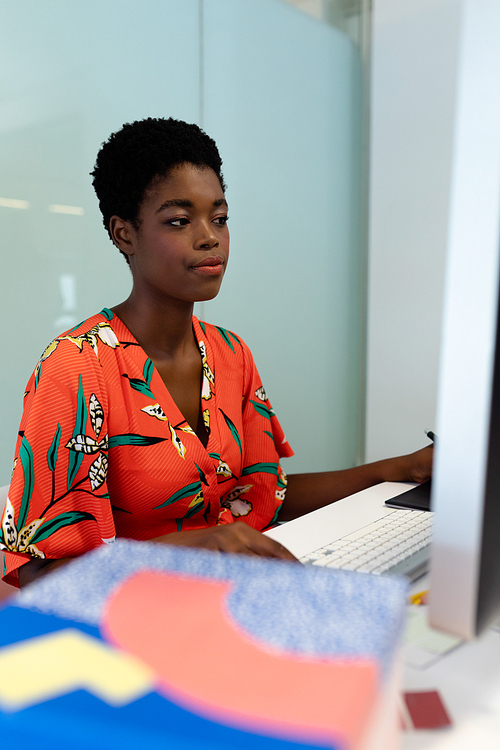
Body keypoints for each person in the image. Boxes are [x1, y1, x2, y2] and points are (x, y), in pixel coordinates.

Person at [0, 118, 432, 587]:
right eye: (179, 221)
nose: (209, 237)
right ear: (125, 234)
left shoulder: (230, 353)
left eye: (220, 218)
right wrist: (196, 547)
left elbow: (263, 497)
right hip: (131, 625)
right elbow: (41, 572)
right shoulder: (77, 367)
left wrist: (403, 467)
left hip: (233, 599)